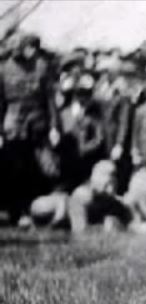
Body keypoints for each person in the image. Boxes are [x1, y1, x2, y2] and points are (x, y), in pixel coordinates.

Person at [0, 32, 61, 226]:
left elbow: (50, 100)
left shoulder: (42, 67)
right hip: (13, 127)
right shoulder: (3, 69)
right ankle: (15, 212)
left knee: (36, 171)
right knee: (13, 170)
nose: (30, 51)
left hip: (37, 125)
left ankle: (34, 212)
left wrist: (54, 127)